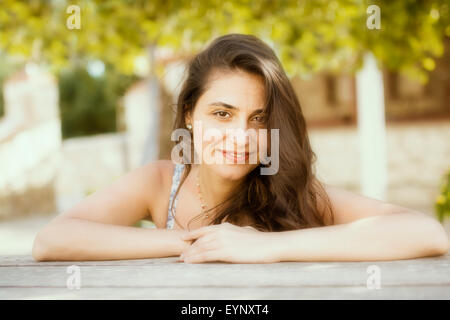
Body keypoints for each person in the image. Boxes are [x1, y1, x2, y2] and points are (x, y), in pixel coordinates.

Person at [32, 34, 449, 263]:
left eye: (259, 118)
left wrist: (266, 246)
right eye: (223, 114)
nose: (240, 137)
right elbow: (53, 240)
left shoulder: (294, 192)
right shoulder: (160, 182)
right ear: (190, 114)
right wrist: (195, 241)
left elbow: (427, 233)